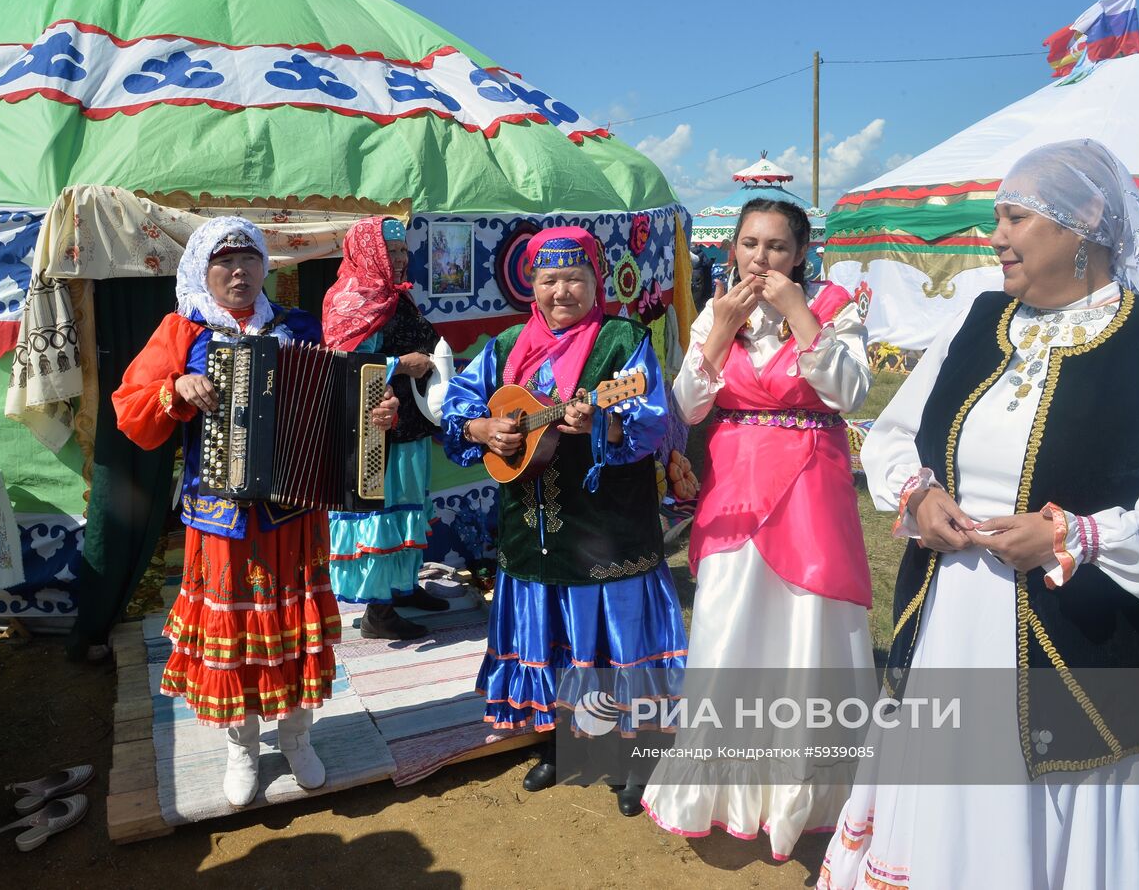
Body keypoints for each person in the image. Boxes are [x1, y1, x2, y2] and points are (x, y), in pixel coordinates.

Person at [817, 139, 1139, 889]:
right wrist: (919, 497)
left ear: (1080, 224)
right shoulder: (980, 321)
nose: (996, 237)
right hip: (953, 621)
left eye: (1015, 217)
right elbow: (892, 438)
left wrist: (1072, 535)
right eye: (996, 218)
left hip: (1079, 643)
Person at [113, 217, 400, 808]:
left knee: (292, 636)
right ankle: (241, 747)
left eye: (249, 260)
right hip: (220, 521)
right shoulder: (182, 330)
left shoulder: (298, 328)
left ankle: (297, 738)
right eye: (224, 262)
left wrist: (377, 416)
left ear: (266, 265)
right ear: (202, 269)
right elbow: (130, 407)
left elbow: (342, 407)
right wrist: (177, 389)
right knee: (236, 638)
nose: (238, 272)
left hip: (293, 516)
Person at [642, 198, 875, 859]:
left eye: (776, 247)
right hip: (735, 490)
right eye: (750, 244)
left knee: (809, 628)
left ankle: (811, 790)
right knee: (726, 622)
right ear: (734, 247)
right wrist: (719, 331)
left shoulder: (834, 306)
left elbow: (850, 393)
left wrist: (801, 315)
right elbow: (686, 406)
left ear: (800, 253)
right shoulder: (721, 312)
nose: (760, 258)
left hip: (811, 488)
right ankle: (724, 789)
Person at [441, 226, 686, 815]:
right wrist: (483, 429)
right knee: (550, 644)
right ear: (532, 284)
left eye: (575, 277)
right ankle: (560, 743)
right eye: (548, 279)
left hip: (610, 535)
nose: (561, 291)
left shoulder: (622, 341)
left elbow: (655, 417)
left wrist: (606, 425)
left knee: (615, 646)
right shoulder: (504, 345)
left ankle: (636, 758)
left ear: (595, 281)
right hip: (532, 534)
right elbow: (458, 410)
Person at [322, 216, 449, 640]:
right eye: (389, 250)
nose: (398, 258)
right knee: (383, 507)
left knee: (409, 504)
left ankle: (402, 587)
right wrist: (401, 364)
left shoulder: (392, 295)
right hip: (374, 428)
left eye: (401, 250)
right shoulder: (352, 297)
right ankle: (379, 612)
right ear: (367, 252)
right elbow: (342, 366)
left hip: (408, 422)